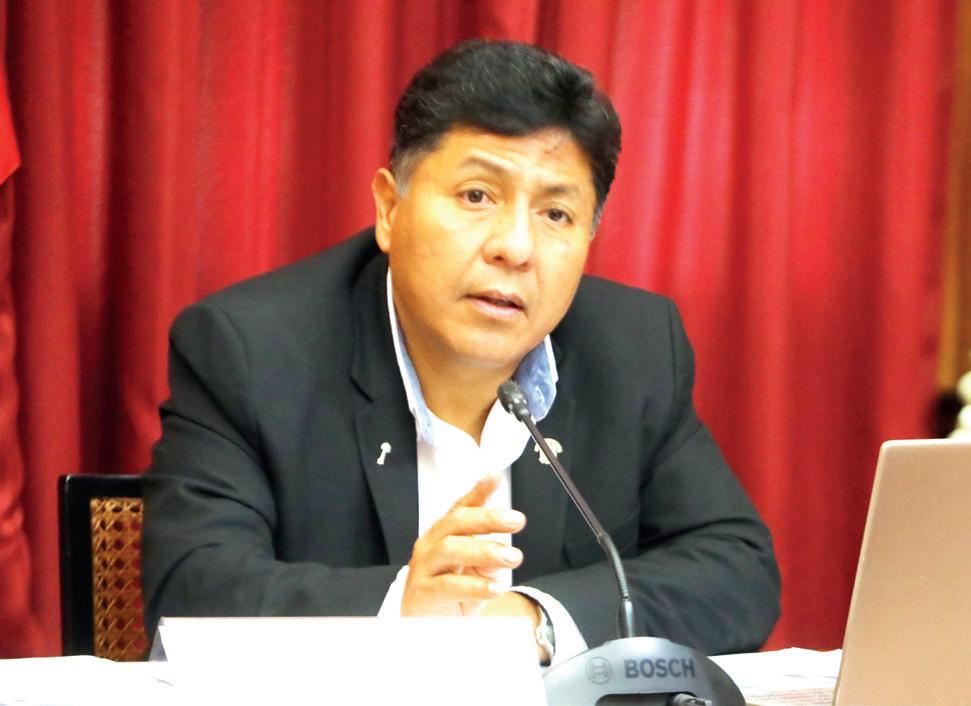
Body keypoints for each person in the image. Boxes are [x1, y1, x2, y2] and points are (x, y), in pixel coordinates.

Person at [142, 39, 780, 664]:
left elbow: (736, 570)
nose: (515, 247)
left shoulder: (634, 346)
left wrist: (536, 621)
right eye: (477, 196)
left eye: (556, 214)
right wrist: (403, 611)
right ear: (389, 209)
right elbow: (191, 591)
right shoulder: (251, 351)